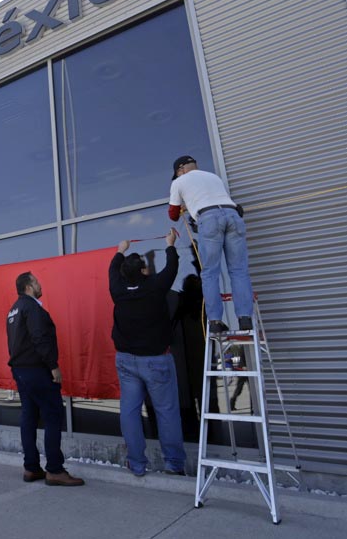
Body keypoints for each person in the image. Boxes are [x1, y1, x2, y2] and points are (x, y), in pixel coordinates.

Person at [109, 233, 186, 476]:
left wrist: (120, 249)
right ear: (143, 271)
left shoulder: (118, 290)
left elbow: (112, 270)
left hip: (126, 360)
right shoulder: (154, 287)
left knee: (130, 412)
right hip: (156, 361)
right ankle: (174, 464)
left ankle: (137, 464)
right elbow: (172, 268)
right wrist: (170, 245)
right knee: (166, 412)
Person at [7, 272, 84, 486]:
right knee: (53, 414)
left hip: (21, 370)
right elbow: (39, 338)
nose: (40, 285)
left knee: (29, 416)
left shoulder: (13, 310)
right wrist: (53, 366)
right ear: (28, 287)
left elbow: (13, 343)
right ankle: (55, 470)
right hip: (36, 369)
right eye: (37, 282)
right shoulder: (32, 308)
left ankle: (31, 467)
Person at [168, 155, 254, 335]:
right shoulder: (213, 177)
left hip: (208, 219)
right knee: (239, 270)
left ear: (180, 170)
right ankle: (245, 318)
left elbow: (173, 214)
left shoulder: (179, 181)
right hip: (232, 215)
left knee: (209, 272)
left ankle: (215, 320)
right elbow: (215, 200)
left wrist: (184, 206)